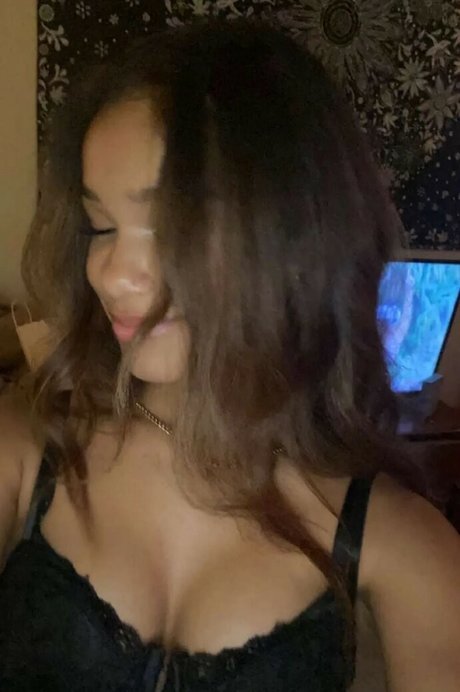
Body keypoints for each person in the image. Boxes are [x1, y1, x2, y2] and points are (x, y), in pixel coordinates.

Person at [0, 19, 459, 692]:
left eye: (173, 227)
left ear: (294, 237)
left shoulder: (406, 548)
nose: (112, 273)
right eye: (101, 226)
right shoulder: (26, 451)